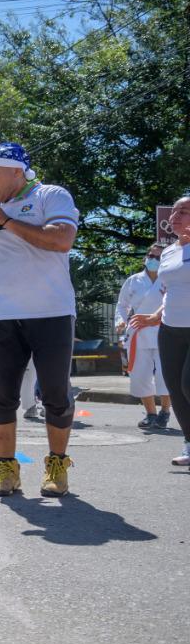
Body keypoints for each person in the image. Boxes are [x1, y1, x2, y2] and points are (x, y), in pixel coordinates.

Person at [0, 142, 79, 496]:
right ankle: (6, 469)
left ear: (16, 171)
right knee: (1, 396)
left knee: (55, 394)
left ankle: (56, 465)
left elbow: (62, 240)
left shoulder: (52, 196)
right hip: (5, 316)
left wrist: (9, 221)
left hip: (51, 312)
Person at [132, 196, 190, 465]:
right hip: (170, 329)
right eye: (175, 211)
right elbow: (169, 292)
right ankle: (189, 444)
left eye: (184, 211)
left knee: (188, 385)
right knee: (176, 390)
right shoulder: (168, 252)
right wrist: (154, 316)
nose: (175, 216)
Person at [116, 243, 171, 428]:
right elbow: (122, 305)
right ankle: (150, 414)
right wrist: (121, 321)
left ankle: (165, 411)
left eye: (158, 257)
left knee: (166, 374)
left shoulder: (169, 279)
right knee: (139, 374)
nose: (153, 260)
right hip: (138, 331)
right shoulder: (133, 280)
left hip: (164, 330)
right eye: (151, 255)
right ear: (145, 258)